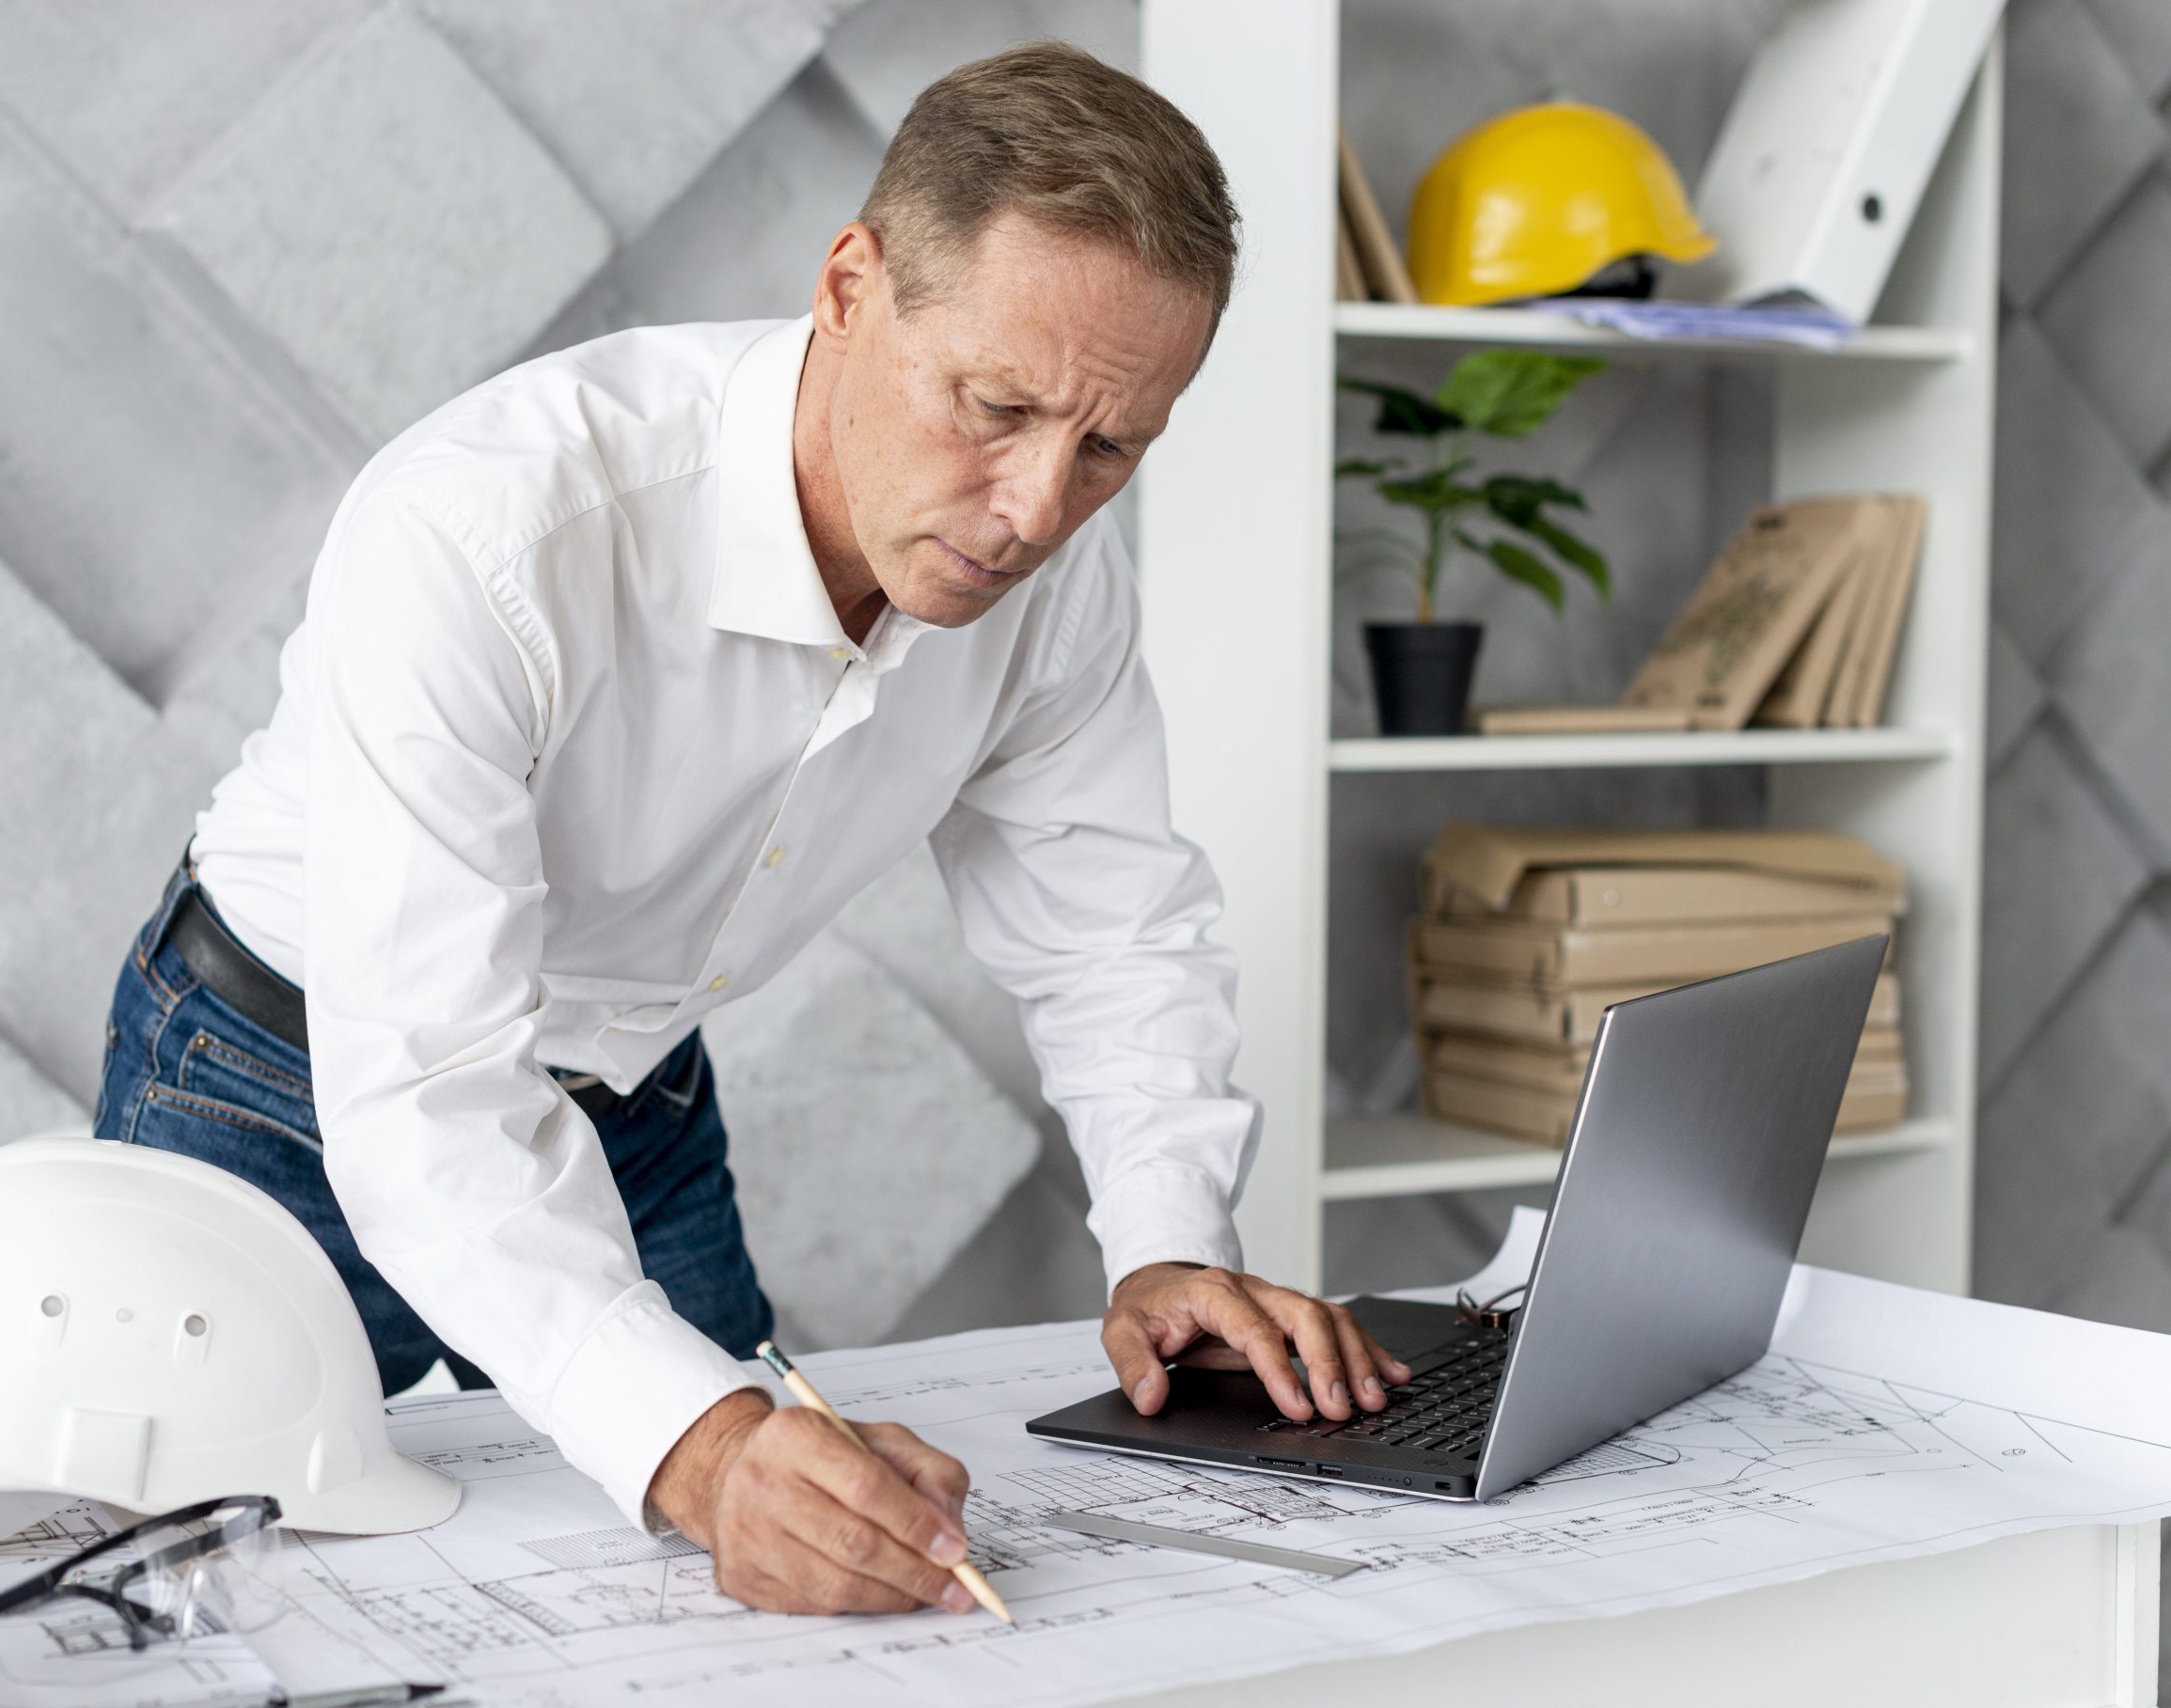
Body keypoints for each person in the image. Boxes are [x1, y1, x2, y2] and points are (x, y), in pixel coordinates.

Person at [95, 39, 1408, 1618]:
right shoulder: (484, 527)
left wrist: (1169, 1242)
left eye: (1111, 448)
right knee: (178, 1600)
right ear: (852, 286)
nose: (1038, 509)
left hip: (634, 1087)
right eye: (993, 406)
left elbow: (1111, 929)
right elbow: (429, 1095)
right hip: (273, 1075)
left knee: (783, 1584)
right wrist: (702, 1450)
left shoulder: (1052, 584)